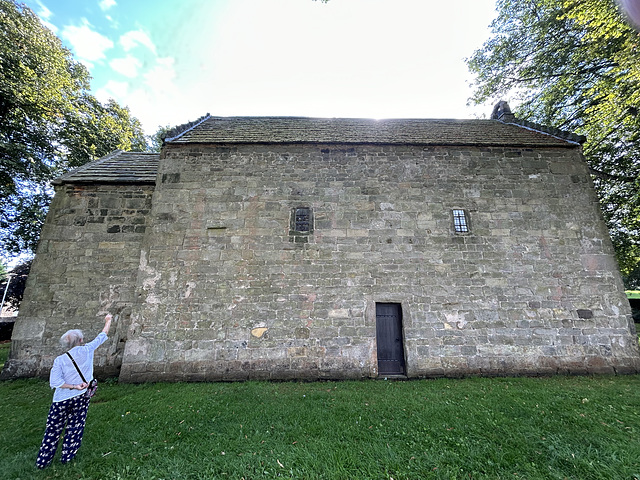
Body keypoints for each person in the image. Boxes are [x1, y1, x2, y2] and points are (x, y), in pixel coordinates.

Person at [35, 313, 113, 469]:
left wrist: (71, 386)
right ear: (81, 340)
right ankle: (68, 457)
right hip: (81, 396)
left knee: (53, 430)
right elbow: (102, 335)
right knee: (75, 426)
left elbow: (55, 382)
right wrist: (108, 320)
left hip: (60, 400)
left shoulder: (60, 360)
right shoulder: (87, 350)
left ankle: (42, 461)